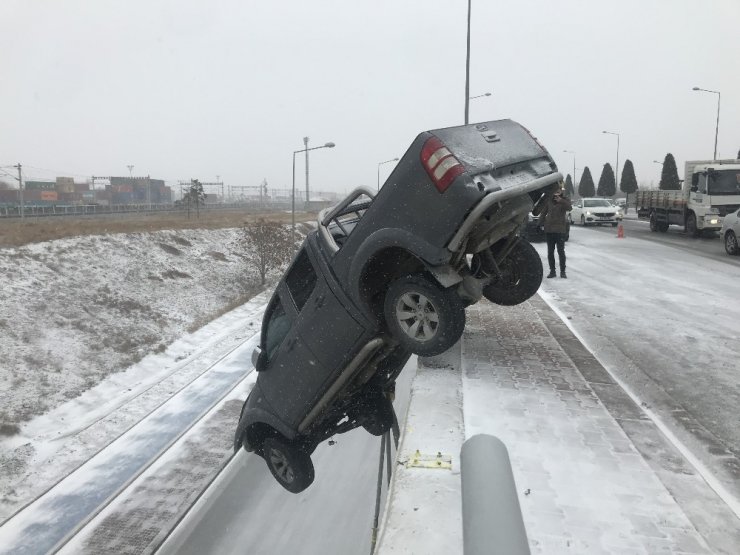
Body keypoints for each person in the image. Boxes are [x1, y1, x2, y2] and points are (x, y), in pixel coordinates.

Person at [533, 184, 572, 278]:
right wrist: (538, 224)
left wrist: (561, 201)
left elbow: (570, 208)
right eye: (556, 191)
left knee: (561, 251)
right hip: (549, 230)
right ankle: (552, 271)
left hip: (560, 230)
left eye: (559, 191)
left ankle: (563, 271)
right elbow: (543, 213)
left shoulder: (565, 200)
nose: (557, 192)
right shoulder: (549, 200)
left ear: (561, 192)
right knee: (550, 252)